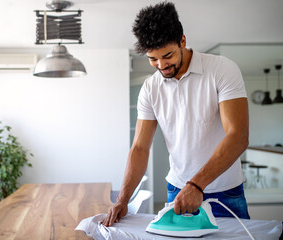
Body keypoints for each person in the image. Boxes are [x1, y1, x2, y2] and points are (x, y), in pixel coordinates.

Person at [102, 1, 250, 227]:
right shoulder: (150, 88)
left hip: (225, 192)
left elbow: (238, 135)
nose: (161, 65)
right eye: (153, 59)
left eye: (167, 55)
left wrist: (197, 185)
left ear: (183, 41)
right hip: (177, 189)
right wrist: (123, 200)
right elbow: (140, 148)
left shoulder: (222, 69)